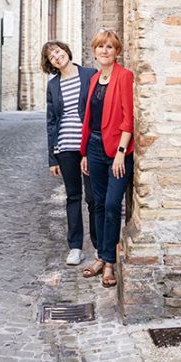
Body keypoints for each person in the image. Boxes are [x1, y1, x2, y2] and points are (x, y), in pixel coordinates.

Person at [79, 28, 134, 288]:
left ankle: (110, 262)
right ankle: (101, 256)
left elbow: (128, 118)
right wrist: (85, 153)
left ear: (117, 52)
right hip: (94, 147)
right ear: (94, 51)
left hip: (117, 151)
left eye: (109, 47)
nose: (104, 51)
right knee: (98, 205)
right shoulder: (94, 79)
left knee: (113, 205)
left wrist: (121, 154)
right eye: (100, 46)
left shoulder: (124, 77)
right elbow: (89, 120)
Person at [43, 40, 97, 267]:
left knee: (94, 198)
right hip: (65, 147)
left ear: (66, 51)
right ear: (50, 64)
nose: (56, 56)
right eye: (51, 57)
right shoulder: (53, 85)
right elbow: (51, 121)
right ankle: (75, 247)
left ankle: (99, 245)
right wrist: (52, 156)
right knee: (73, 197)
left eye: (57, 51)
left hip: (90, 147)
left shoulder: (89, 75)